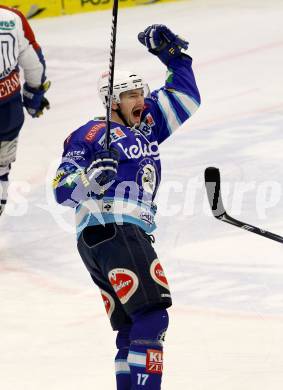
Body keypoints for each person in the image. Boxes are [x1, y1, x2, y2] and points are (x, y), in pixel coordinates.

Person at [53, 24, 200, 389]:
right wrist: (88, 182)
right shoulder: (90, 134)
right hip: (116, 229)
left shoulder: (146, 126)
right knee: (153, 318)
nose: (139, 100)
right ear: (111, 101)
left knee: (132, 327)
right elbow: (61, 189)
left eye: (140, 92)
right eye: (130, 94)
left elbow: (185, 98)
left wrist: (174, 57)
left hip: (111, 237)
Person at [0, 5, 50, 216]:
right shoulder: (11, 17)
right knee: (1, 168)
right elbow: (34, 64)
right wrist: (33, 98)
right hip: (8, 113)